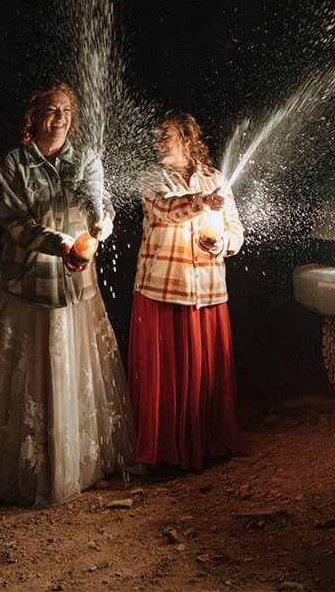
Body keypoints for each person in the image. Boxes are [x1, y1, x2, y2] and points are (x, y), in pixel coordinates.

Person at [0, 81, 136, 507]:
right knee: (33, 373)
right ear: (33, 117)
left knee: (71, 367)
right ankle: (32, 470)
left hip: (76, 286)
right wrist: (61, 244)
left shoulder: (85, 159)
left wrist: (102, 223)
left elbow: (95, 203)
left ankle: (75, 466)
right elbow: (16, 223)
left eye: (66, 110)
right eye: (52, 109)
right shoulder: (13, 165)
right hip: (29, 283)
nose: (61, 117)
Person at [126, 112, 245, 472]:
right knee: (165, 380)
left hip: (208, 293)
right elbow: (167, 209)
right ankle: (163, 454)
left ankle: (209, 446)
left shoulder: (216, 179)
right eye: (156, 137)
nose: (157, 143)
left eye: (166, 136)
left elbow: (237, 231)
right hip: (163, 289)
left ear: (188, 140)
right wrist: (203, 204)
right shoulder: (150, 178)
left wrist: (223, 241)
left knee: (206, 375)